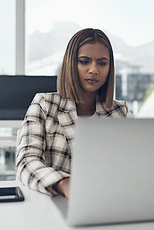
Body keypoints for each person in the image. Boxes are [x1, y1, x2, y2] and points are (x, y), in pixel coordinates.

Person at [16, 28, 131, 198]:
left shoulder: (120, 113)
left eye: (102, 63)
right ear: (71, 64)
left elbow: (134, 166)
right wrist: (64, 183)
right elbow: (26, 163)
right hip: (55, 204)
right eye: (84, 61)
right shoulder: (44, 104)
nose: (93, 70)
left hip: (107, 201)